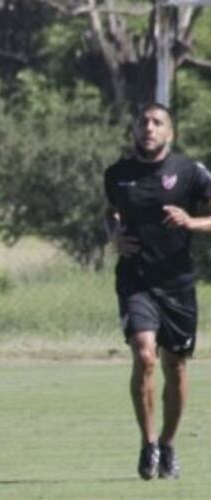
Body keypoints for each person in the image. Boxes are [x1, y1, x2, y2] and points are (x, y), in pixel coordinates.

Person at [103, 102, 211, 480]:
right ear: (134, 130)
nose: (149, 127)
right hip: (136, 280)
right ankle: (147, 443)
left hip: (177, 284)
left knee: (175, 367)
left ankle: (167, 443)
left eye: (157, 122)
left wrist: (193, 222)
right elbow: (110, 212)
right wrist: (114, 234)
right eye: (143, 122)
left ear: (170, 132)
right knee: (145, 355)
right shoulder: (118, 174)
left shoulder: (190, 173)